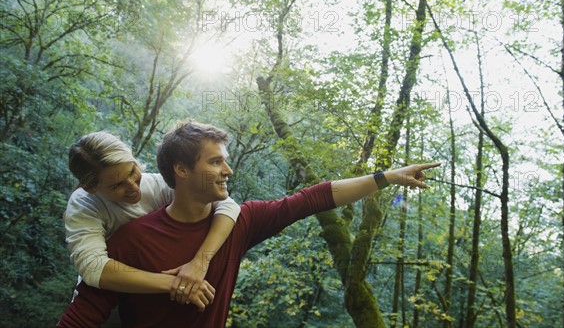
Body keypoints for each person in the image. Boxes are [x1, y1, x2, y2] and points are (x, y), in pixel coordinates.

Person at [57, 120, 440, 327]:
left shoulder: (239, 221)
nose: (229, 169)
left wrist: (386, 177)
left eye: (225, 159)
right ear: (181, 170)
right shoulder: (127, 240)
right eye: (215, 162)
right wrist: (177, 282)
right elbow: (85, 309)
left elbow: (314, 197)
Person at [64, 131, 241, 308]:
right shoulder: (84, 205)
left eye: (132, 171)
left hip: (151, 303)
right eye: (118, 185)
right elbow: (93, 267)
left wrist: (200, 262)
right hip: (106, 306)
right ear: (90, 188)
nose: (133, 186)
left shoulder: (155, 185)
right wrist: (177, 283)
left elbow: (228, 205)